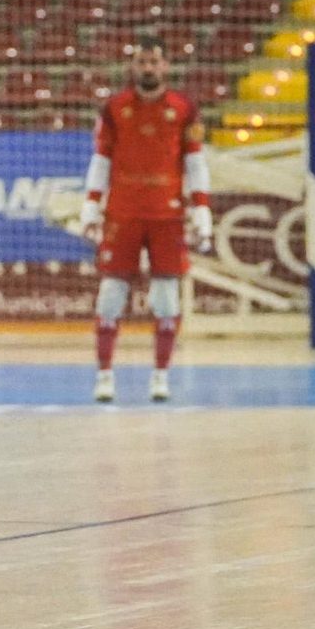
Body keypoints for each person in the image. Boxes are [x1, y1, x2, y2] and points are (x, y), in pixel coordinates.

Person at [76, 36, 208, 403]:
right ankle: (105, 376)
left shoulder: (183, 109)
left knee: (166, 298)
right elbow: (101, 160)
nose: (148, 68)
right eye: (142, 62)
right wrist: (91, 206)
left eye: (154, 61)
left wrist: (202, 208)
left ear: (165, 66)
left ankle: (161, 377)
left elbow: (195, 162)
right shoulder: (115, 108)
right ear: (133, 66)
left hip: (167, 215)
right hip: (122, 214)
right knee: (110, 295)